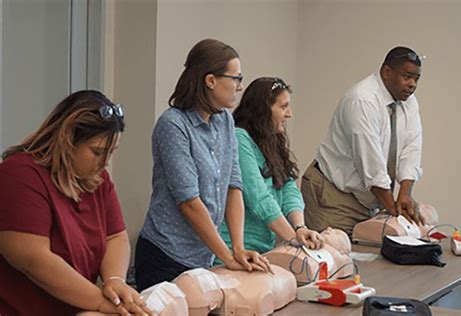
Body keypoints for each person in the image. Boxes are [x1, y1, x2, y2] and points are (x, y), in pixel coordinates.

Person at [135, 39, 271, 292]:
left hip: (203, 256)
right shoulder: (173, 125)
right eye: (236, 79)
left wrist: (238, 248)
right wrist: (228, 257)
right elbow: (188, 201)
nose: (239, 87)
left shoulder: (225, 122)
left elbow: (234, 185)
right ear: (210, 81)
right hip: (166, 256)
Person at [0, 90, 152, 315]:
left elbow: (116, 236)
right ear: (67, 139)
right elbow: (33, 259)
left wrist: (115, 280)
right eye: (97, 152)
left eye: (112, 152)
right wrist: (102, 302)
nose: (105, 162)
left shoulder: (97, 180)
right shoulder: (20, 175)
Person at [302, 46, 426, 236]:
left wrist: (405, 193)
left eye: (416, 79)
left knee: (370, 256)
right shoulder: (362, 100)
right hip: (334, 195)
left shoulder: (410, 102)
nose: (412, 84)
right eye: (407, 76)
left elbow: (412, 148)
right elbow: (371, 164)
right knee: (338, 257)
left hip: (369, 198)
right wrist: (394, 211)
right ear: (386, 72)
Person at [220, 77, 323, 254]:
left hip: (262, 249)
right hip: (235, 250)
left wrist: (300, 228)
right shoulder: (239, 137)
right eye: (283, 107)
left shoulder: (272, 139)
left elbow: (288, 187)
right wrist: (294, 240)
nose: (289, 114)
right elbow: (258, 197)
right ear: (263, 110)